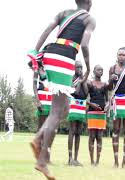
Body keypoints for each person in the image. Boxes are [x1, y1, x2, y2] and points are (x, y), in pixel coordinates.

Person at [29, 0, 95, 179]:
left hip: (50, 53)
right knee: (57, 111)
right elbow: (86, 45)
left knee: (64, 109)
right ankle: (41, 158)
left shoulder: (64, 12)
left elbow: (47, 30)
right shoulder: (89, 19)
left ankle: (39, 145)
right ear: (89, 3)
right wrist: (88, 68)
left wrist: (35, 52)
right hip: (65, 57)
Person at [67, 60, 88, 166]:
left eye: (81, 68)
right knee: (72, 130)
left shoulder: (83, 79)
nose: (80, 69)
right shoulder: (71, 78)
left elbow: (86, 93)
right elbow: (75, 92)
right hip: (74, 104)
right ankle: (70, 158)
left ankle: (76, 158)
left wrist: (83, 80)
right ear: (73, 68)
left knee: (79, 132)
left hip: (82, 105)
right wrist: (79, 82)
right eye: (78, 67)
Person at [87, 65, 109, 166]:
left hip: (101, 113)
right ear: (94, 71)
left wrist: (107, 106)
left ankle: (97, 161)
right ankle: (91, 161)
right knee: (92, 136)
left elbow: (107, 100)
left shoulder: (105, 85)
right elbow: (85, 99)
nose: (100, 71)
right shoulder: (89, 83)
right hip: (92, 111)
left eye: (102, 70)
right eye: (98, 70)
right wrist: (92, 104)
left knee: (99, 136)